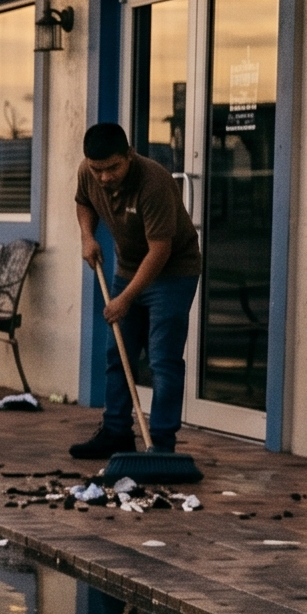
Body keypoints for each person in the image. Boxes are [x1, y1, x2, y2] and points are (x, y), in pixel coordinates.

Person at [71, 121, 201, 457]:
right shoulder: (89, 172)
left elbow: (160, 250)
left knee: (162, 360)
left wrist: (125, 299)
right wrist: (88, 236)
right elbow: (83, 201)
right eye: (97, 169)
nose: (104, 177)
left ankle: (162, 445)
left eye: (112, 168)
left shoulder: (153, 182)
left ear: (129, 155)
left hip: (172, 273)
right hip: (127, 268)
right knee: (119, 354)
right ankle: (115, 432)